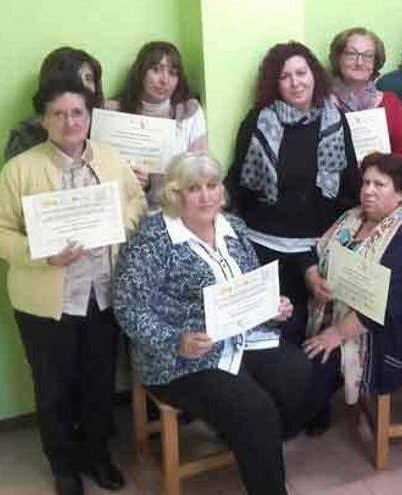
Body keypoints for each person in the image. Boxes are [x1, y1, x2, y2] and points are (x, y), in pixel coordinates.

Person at [0, 77, 147, 495]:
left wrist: (115, 225)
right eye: (59, 113)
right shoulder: (20, 169)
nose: (69, 121)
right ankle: (63, 466)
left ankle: (97, 454)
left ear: (89, 116)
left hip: (102, 295)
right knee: (53, 388)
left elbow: (137, 203)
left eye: (77, 112)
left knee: (98, 382)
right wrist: (42, 253)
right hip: (45, 303)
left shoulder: (111, 160)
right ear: (44, 120)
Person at [114, 151, 312, 495]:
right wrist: (177, 340)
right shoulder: (154, 237)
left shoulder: (233, 226)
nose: (206, 196)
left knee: (301, 376)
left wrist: (270, 307)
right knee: (254, 409)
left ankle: (252, 444)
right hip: (183, 356)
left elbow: (250, 281)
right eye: (194, 188)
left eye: (212, 185)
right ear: (176, 194)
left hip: (242, 337)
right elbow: (129, 307)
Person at [225, 41, 361, 346]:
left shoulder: (335, 119)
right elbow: (238, 183)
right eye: (285, 77)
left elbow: (351, 179)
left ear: (314, 74)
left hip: (317, 251)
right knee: (273, 340)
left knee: (313, 337)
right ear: (275, 84)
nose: (296, 82)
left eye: (302, 72)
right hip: (265, 250)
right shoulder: (259, 121)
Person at [302, 152, 402, 433]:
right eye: (366, 183)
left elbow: (386, 306)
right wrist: (314, 278)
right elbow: (311, 252)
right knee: (284, 338)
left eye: (380, 185)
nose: (368, 191)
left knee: (313, 364)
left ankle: (297, 415)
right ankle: (312, 406)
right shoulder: (351, 218)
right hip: (331, 309)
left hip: (381, 333)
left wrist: (335, 334)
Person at [107, 41, 208, 207]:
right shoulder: (113, 112)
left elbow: (201, 170)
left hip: (178, 208)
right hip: (126, 208)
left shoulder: (189, 112)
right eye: (156, 70)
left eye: (173, 73)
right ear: (141, 73)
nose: (164, 80)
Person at [5, 47, 104, 160]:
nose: (82, 86)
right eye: (74, 78)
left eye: (88, 78)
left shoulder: (102, 127)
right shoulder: (27, 136)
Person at [329, 27, 402, 160]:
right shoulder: (323, 104)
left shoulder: (391, 103)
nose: (359, 62)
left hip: (382, 179)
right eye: (351, 54)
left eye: (368, 56)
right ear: (338, 58)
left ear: (375, 62)